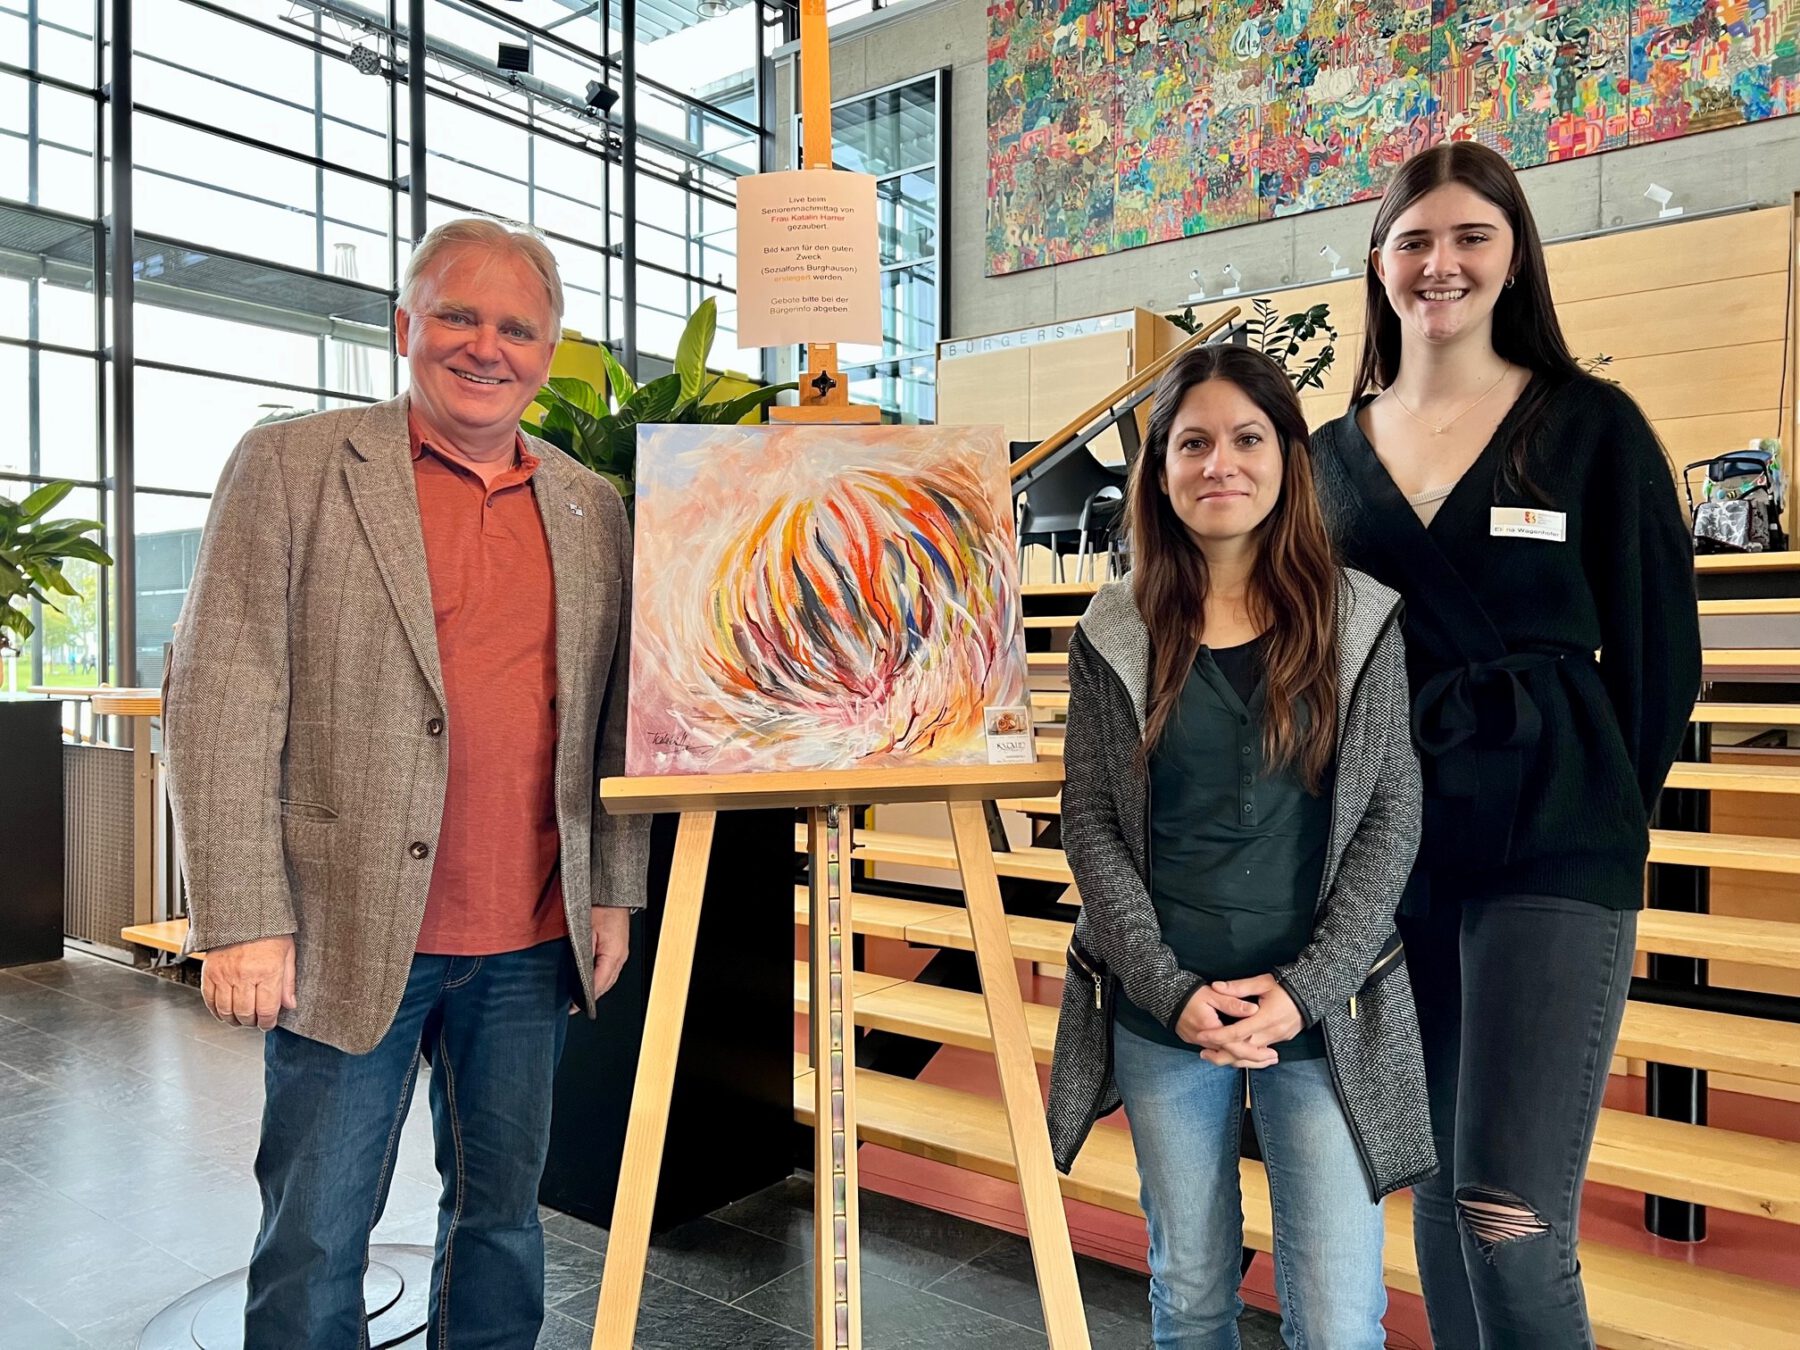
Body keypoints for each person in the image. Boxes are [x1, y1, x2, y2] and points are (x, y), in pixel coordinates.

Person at [164, 216, 648, 1348]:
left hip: (531, 938)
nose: (488, 346)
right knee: (318, 1235)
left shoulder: (592, 508)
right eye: (459, 316)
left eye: (518, 327)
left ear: (549, 350)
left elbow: (614, 725)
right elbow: (223, 693)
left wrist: (612, 891)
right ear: (404, 327)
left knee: (502, 1223)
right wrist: (240, 918)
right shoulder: (291, 465)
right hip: (342, 931)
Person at [1310, 141, 1703, 1348]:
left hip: (1553, 838)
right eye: (1415, 239)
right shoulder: (1328, 456)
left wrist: (1595, 812)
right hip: (1401, 849)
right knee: (1432, 1183)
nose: (1443, 262)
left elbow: (1660, 660)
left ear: (1515, 253)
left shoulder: (1591, 427)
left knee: (1512, 1213)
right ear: (1379, 265)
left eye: (1472, 235)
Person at [1046, 343, 1435, 1349]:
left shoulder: (1359, 619)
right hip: (1163, 1012)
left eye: (1247, 438)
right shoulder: (1113, 629)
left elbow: (1392, 814)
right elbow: (1088, 821)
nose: (1221, 463)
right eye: (1193, 442)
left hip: (1322, 1012)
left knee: (1343, 1318)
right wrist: (1171, 990)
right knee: (1190, 1293)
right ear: (1160, 470)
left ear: (1287, 458)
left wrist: (1304, 988)